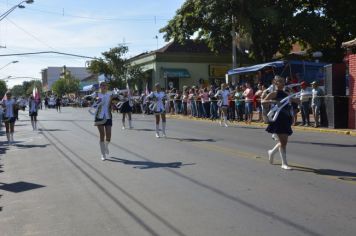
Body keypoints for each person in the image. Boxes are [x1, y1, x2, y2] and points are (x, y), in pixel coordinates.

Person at [263, 76, 296, 170]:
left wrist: (294, 97)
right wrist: (272, 101)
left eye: (283, 82)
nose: (282, 83)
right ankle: (284, 163)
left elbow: (296, 100)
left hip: (286, 118)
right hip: (277, 119)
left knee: (284, 141)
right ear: (275, 83)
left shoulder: (286, 93)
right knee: (283, 141)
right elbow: (263, 101)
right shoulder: (274, 93)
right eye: (280, 82)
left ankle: (272, 152)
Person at [92, 82, 115, 161]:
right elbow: (90, 100)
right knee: (102, 134)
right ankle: (103, 153)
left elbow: (115, 101)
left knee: (108, 135)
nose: (104, 87)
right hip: (99, 116)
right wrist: (95, 100)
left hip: (108, 116)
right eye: (103, 85)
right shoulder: (96, 94)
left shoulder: (110, 94)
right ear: (100, 87)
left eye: (105, 85)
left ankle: (106, 146)